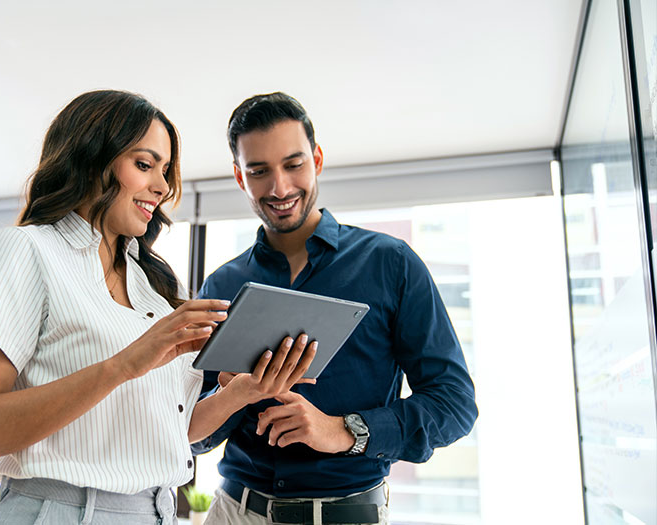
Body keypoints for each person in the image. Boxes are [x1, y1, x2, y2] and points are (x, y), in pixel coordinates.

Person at [0, 90, 315, 525]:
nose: (163, 186)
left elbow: (168, 432)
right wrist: (124, 365)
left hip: (155, 511)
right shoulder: (24, 250)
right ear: (91, 158)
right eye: (144, 164)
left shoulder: (154, 285)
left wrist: (244, 391)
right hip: (61, 511)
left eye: (166, 170)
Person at [192, 92, 479, 525]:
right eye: (259, 171)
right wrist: (231, 396)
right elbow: (190, 435)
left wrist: (343, 430)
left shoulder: (391, 263)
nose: (280, 188)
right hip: (235, 511)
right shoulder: (222, 285)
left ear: (317, 159)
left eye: (293, 164)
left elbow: (454, 404)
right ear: (239, 177)